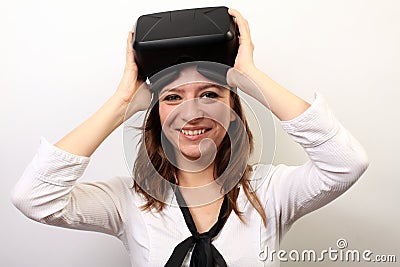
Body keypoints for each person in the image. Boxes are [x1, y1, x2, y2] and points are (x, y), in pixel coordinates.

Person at [11, 8, 369, 267]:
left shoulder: (270, 190)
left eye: (211, 95)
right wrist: (121, 104)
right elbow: (35, 199)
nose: (192, 113)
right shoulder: (127, 201)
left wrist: (249, 75)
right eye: (172, 98)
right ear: (157, 115)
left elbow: (346, 164)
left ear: (233, 108)